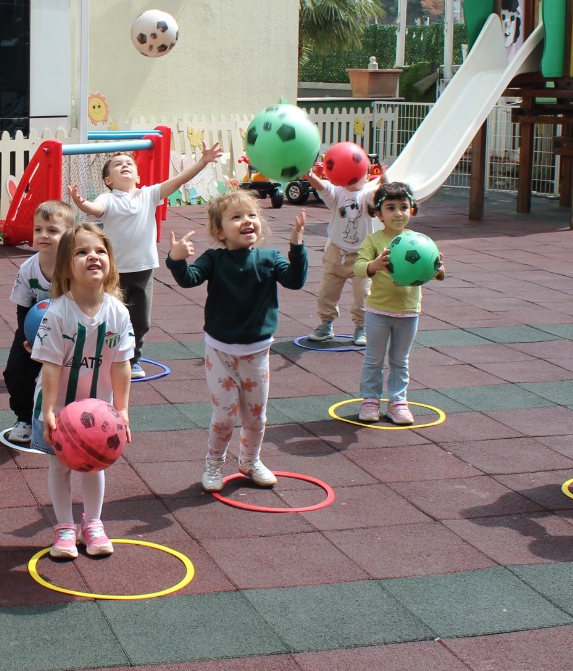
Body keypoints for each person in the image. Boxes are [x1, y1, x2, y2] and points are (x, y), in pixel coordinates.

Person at [167, 192, 309, 492]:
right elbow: (189, 279)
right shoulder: (214, 259)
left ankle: (249, 460)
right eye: (236, 217)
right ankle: (214, 462)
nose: (247, 221)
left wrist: (297, 246)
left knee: (256, 417)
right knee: (224, 416)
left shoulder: (270, 258)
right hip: (221, 353)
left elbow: (295, 281)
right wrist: (177, 260)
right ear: (220, 232)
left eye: (251, 215)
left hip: (257, 353)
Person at [69, 141, 223, 379]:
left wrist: (203, 161)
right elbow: (96, 209)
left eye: (129, 163)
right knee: (109, 315)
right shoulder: (108, 198)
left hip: (142, 269)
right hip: (114, 271)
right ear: (108, 180)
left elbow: (178, 181)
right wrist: (82, 203)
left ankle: (133, 359)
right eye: (118, 164)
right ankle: (104, 355)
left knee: (140, 319)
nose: (125, 165)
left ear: (138, 177)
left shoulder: (149, 195)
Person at [32, 223, 134, 559]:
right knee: (59, 466)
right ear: (65, 268)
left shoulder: (118, 312)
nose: (93, 256)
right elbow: (51, 366)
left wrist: (122, 409)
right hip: (59, 407)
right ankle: (65, 527)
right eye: (81, 252)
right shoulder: (57, 314)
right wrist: (49, 411)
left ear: (110, 262)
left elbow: (121, 364)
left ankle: (93, 524)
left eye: (100, 251)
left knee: (95, 465)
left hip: (99, 411)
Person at [354, 181, 445, 424]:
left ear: (411, 210)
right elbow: (358, 267)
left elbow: (437, 273)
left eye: (403, 207)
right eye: (391, 208)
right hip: (378, 311)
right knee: (374, 358)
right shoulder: (373, 241)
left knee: (400, 360)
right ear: (379, 213)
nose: (398, 213)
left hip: (408, 312)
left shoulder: (420, 242)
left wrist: (438, 269)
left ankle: (397, 402)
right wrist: (374, 265)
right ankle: (370, 400)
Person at [2, 200, 76, 446]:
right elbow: (22, 308)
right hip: (33, 330)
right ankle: (24, 418)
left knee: (71, 375)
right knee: (16, 372)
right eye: (38, 229)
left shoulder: (74, 266)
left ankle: (71, 418)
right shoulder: (28, 268)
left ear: (69, 235)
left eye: (52, 230)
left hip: (70, 330)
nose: (43, 235)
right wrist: (29, 340)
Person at [304, 162, 372, 346]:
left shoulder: (368, 194)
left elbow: (381, 197)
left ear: (367, 176)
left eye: (359, 172)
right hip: (336, 252)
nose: (354, 177)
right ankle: (326, 324)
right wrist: (309, 175)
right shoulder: (337, 193)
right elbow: (323, 188)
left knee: (363, 293)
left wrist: (385, 180)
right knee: (327, 291)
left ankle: (362, 327)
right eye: (350, 172)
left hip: (362, 254)